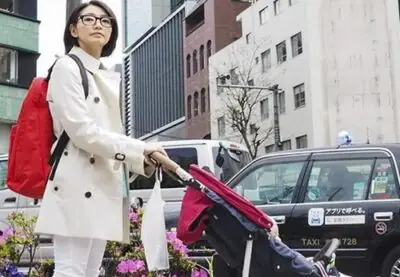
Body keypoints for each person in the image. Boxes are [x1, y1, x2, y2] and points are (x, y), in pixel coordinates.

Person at [34, 1, 166, 276]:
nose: (98, 24)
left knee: (92, 270)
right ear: (73, 29)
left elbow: (108, 136)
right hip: (75, 183)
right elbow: (83, 132)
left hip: (101, 182)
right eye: (89, 19)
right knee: (70, 269)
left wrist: (136, 160)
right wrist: (139, 149)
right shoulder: (66, 67)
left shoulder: (101, 74)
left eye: (105, 21)